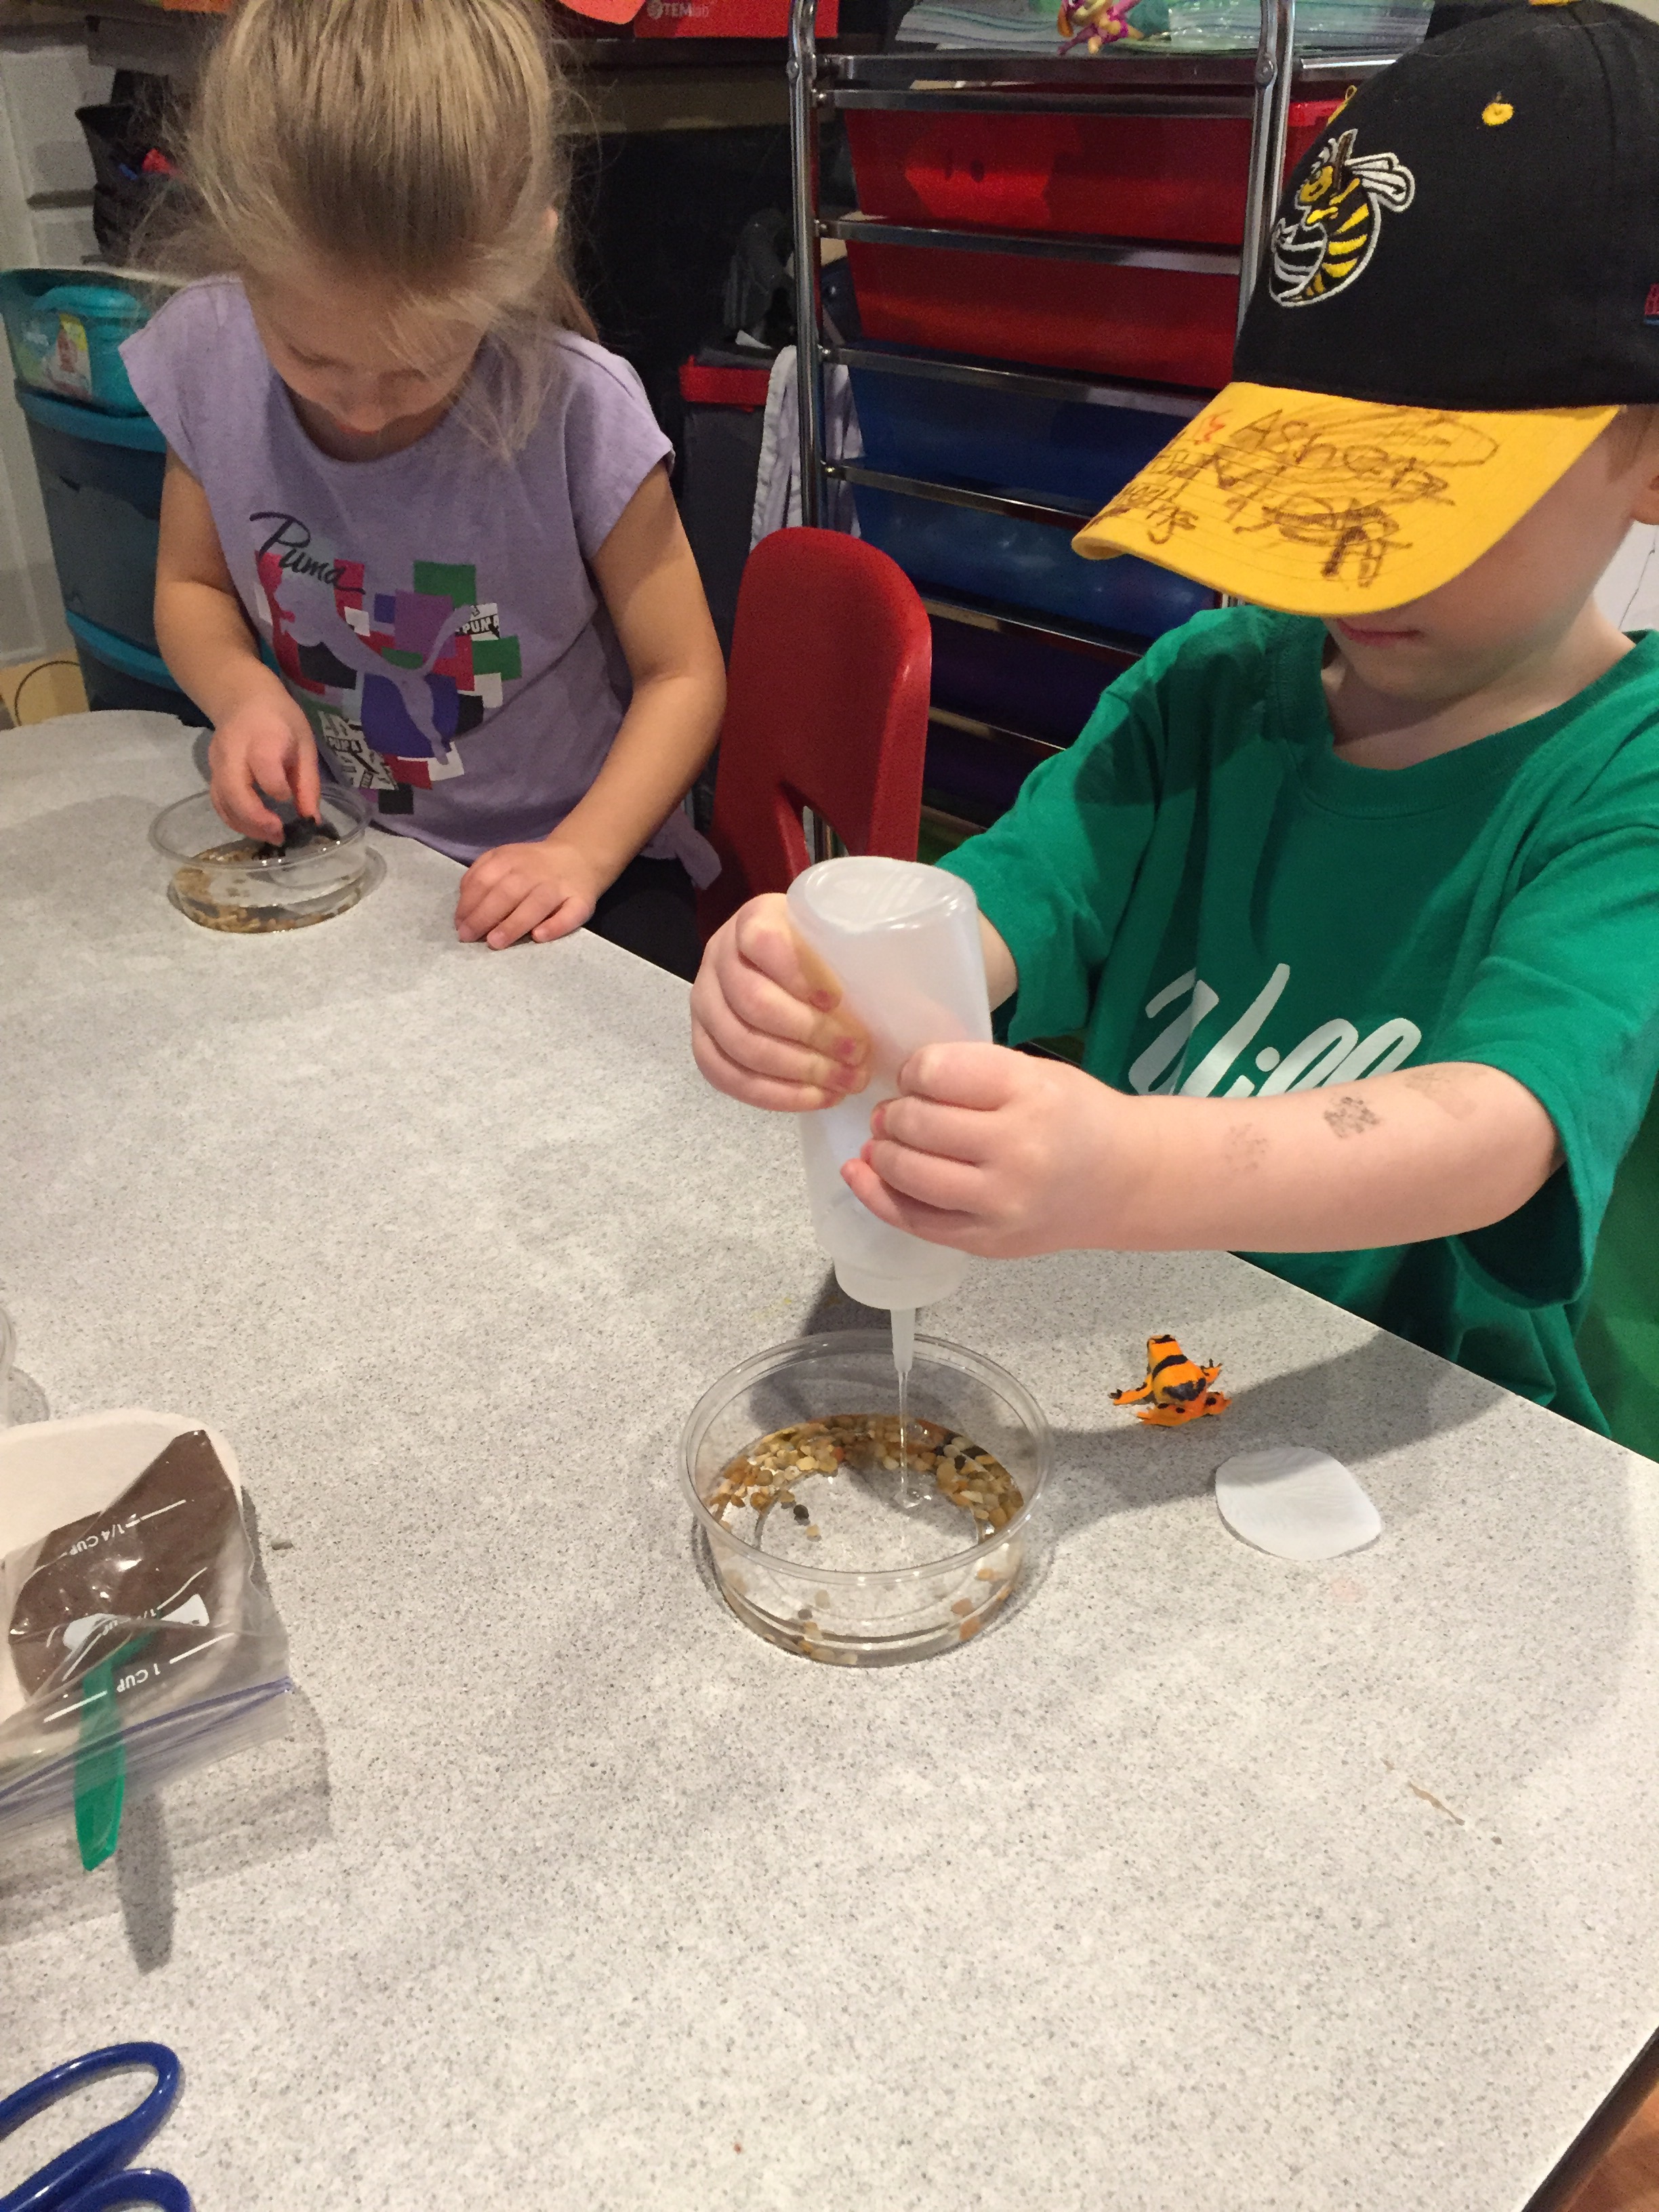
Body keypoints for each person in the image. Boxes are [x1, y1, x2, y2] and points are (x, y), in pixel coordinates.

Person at [691, 0, 1659, 1432]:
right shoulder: (1210, 685)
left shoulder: (1629, 777)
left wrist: (1126, 1170)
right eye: (1310, 488)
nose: (1350, 562)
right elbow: (1018, 900)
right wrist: (828, 981)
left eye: (1425, 507)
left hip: (1422, 1412)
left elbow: (1497, 1126)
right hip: (1149, 1341)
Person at [123, 0, 725, 975]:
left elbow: (684, 676)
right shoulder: (206, 357)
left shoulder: (580, 413)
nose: (363, 411)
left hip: (588, 864)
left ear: (519, 260)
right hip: (356, 843)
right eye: (312, 359)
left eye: (417, 369)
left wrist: (583, 852)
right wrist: (243, 695)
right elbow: (191, 588)